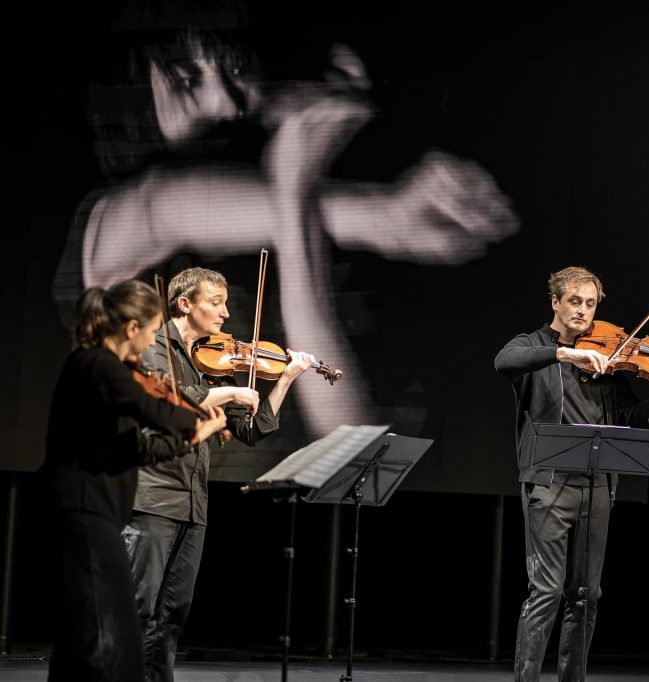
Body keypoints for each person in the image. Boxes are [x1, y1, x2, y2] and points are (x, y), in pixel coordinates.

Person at [54, 0, 518, 436]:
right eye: (185, 81)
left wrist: (396, 206)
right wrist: (305, 185)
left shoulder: (240, 160)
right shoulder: (133, 209)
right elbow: (345, 438)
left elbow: (362, 217)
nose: (226, 96)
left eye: (230, 62)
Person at [494, 266, 649, 682]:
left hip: (598, 485)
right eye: (575, 302)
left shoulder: (610, 358)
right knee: (546, 591)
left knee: (586, 595)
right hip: (549, 484)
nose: (584, 311)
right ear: (556, 303)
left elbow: (633, 416)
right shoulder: (534, 346)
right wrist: (567, 352)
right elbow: (504, 361)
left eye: (591, 303)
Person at [123, 267, 315, 682]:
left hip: (193, 505)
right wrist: (230, 391)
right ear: (184, 303)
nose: (226, 313)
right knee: (137, 608)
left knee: (172, 613)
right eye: (215, 303)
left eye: (225, 303)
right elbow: (170, 400)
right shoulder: (155, 348)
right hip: (152, 499)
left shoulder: (206, 365)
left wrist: (283, 381)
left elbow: (250, 430)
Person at [42, 280, 227, 681]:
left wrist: (196, 435)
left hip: (97, 509)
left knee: (98, 629)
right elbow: (153, 407)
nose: (150, 345)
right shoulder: (97, 364)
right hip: (82, 508)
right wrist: (189, 413)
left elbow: (138, 448)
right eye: (150, 330)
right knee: (109, 628)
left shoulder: (109, 374)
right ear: (131, 329)